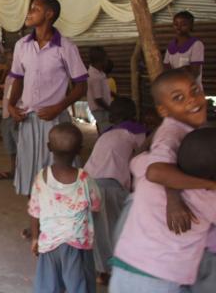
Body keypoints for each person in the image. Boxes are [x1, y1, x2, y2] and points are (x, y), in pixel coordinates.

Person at [110, 127, 216, 292]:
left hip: (123, 267)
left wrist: (160, 131)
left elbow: (137, 156)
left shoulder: (147, 168)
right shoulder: (208, 198)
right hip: (163, 279)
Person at [8, 0, 88, 210]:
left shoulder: (66, 47)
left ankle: (58, 218)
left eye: (35, 9)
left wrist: (58, 107)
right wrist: (11, 105)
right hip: (28, 119)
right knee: (30, 171)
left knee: (56, 171)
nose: (29, 13)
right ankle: (37, 219)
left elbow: (81, 86)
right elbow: (18, 79)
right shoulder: (22, 46)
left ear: (49, 14)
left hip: (55, 121)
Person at [29, 123, 101, 293]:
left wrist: (35, 238)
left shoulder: (41, 177)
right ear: (80, 150)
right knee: (79, 285)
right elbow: (96, 206)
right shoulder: (85, 179)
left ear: (49, 147)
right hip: (76, 243)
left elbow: (34, 211)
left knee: (48, 286)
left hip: (49, 242)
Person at [83, 97, 147, 284]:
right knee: (116, 228)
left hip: (87, 182)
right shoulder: (136, 131)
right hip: (110, 185)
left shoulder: (106, 133)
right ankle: (113, 271)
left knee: (98, 229)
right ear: (134, 113)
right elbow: (144, 156)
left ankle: (102, 270)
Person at [0, 52, 17, 181]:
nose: (10, 62)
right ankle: (14, 171)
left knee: (18, 146)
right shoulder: (9, 76)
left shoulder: (19, 78)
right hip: (7, 115)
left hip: (14, 116)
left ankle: (20, 173)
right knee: (11, 147)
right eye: (8, 60)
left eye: (12, 59)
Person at [163, 10, 205, 87]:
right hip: (175, 87)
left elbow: (195, 72)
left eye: (183, 25)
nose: (178, 27)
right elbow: (166, 68)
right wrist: (184, 69)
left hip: (191, 88)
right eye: (176, 24)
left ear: (191, 26)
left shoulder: (196, 44)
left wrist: (174, 73)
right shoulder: (171, 45)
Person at [87, 46, 112, 134]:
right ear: (100, 61)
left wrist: (114, 95)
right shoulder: (95, 77)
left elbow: (102, 90)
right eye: (106, 59)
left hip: (102, 108)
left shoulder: (99, 73)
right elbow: (98, 99)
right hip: (100, 109)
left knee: (103, 128)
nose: (107, 61)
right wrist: (110, 109)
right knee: (106, 130)